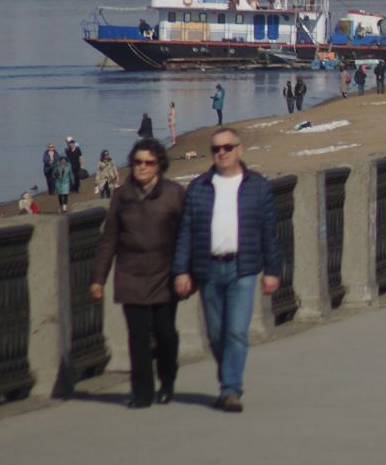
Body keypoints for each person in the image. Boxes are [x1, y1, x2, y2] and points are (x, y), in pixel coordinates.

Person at [171, 128, 282, 413]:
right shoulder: (200, 187)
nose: (222, 152)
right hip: (208, 268)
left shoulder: (256, 186)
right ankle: (228, 379)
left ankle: (230, 389)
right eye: (216, 149)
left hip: (242, 269)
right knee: (217, 334)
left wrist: (272, 271)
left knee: (235, 331)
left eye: (227, 147)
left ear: (240, 150)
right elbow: (186, 232)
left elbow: (269, 232)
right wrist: (181, 270)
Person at [91, 137, 185, 409]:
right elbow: (109, 238)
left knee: (165, 333)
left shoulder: (174, 194)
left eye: (148, 163)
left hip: (165, 273)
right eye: (137, 162)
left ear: (159, 166)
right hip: (130, 274)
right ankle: (142, 392)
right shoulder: (122, 196)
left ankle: (167, 380)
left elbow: (186, 235)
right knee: (138, 335)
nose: (142, 167)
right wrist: (98, 278)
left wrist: (186, 272)